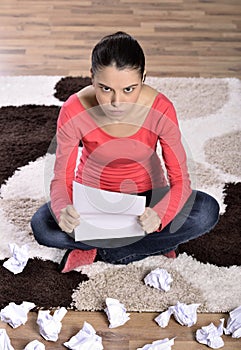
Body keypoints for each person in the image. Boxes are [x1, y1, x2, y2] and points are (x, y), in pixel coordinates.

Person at [31, 31, 220, 273]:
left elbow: (181, 180)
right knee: (42, 225)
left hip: (147, 200)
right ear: (92, 78)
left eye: (129, 89)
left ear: (143, 78)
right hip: (92, 199)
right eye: (105, 88)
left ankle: (103, 248)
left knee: (206, 211)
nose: (116, 102)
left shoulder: (161, 108)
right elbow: (61, 179)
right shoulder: (73, 110)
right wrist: (63, 210)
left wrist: (160, 215)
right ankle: (148, 245)